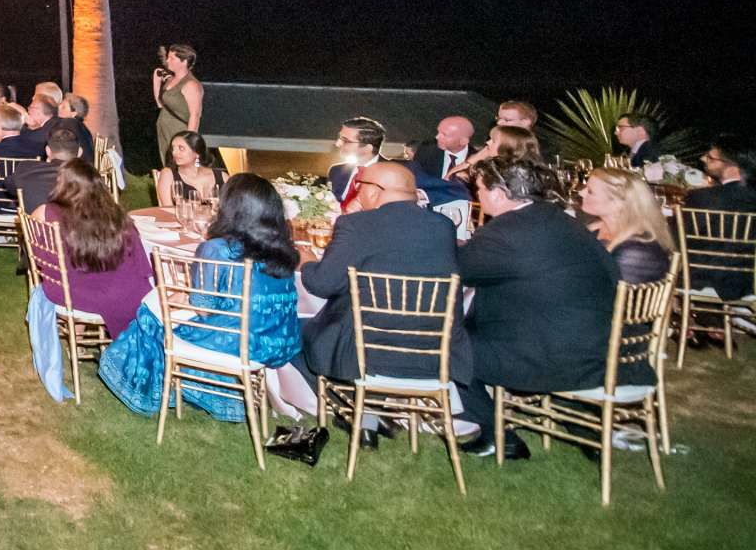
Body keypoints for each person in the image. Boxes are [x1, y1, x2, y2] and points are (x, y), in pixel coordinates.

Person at [285, 161, 469, 456]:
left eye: (361, 186)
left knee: (292, 332)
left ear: (375, 191)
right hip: (432, 348)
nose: (358, 192)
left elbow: (322, 284)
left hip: (367, 350)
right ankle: (370, 416)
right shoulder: (442, 226)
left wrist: (306, 261)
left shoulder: (357, 226)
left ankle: (357, 415)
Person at [456, 158, 622, 461]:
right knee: (476, 326)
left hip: (547, 355)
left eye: (478, 189)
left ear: (499, 194)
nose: (475, 196)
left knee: (446, 346)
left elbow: (458, 270)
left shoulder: (506, 231)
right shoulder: (562, 219)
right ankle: (585, 428)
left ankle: (499, 436)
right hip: (599, 347)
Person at [101, 175, 301, 421]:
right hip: (278, 341)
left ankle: (150, 391)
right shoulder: (284, 249)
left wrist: (179, 298)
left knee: (151, 313)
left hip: (236, 342)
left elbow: (204, 308)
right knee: (164, 306)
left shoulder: (218, 248)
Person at [28, 160, 154, 338]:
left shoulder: (46, 212)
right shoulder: (118, 215)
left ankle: (77, 332)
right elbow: (138, 262)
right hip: (122, 293)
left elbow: (37, 252)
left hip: (71, 292)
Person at [680, 151, 756, 305]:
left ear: (733, 167)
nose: (702, 159)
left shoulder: (701, 197)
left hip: (702, 281)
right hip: (746, 284)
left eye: (711, 158)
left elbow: (681, 241)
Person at [579, 168, 674, 285]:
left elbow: (615, 297)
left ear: (617, 203)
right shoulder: (595, 229)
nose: (581, 193)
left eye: (590, 191)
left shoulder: (637, 252)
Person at [12, 126, 81, 217]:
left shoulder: (27, 168)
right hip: (75, 229)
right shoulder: (87, 177)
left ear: (48, 151)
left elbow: (10, 186)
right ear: (79, 152)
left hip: (34, 229)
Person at [412, 116, 477, 211]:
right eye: (438, 132)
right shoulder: (426, 151)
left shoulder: (478, 161)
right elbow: (415, 180)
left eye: (444, 134)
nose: (437, 137)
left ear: (463, 141)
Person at [152, 44, 202, 159]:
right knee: (169, 165)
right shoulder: (171, 80)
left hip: (178, 132)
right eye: (168, 57)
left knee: (179, 167)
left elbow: (195, 115)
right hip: (164, 131)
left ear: (183, 62)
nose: (168, 60)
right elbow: (160, 104)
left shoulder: (190, 84)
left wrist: (188, 142)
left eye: (172, 58)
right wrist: (156, 81)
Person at [156, 131, 227, 211]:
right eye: (173, 148)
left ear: (197, 153)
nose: (174, 153)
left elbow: (235, 207)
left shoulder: (222, 176)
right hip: (182, 222)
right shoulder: (168, 174)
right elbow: (167, 210)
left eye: (181, 148)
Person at [327, 116, 387, 206]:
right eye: (340, 138)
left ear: (367, 148)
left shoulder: (392, 175)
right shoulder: (336, 171)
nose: (337, 144)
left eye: (346, 141)